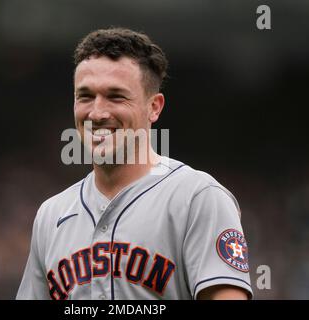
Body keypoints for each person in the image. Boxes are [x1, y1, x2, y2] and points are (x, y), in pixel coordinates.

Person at [16, 27, 252, 300]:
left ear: (154, 107)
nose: (97, 112)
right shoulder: (50, 215)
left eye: (116, 96)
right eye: (85, 96)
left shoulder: (197, 198)